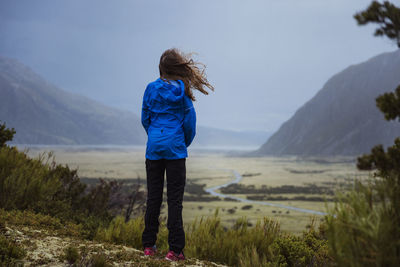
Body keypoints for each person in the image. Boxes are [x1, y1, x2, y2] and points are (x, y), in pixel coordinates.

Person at [141, 48, 214, 261]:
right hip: (175, 151)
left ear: (161, 69)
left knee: (153, 198)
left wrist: (155, 136)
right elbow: (190, 124)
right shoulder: (183, 93)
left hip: (154, 149)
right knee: (175, 201)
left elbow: (145, 118)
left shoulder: (150, 89)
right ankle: (175, 251)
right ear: (177, 69)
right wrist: (182, 143)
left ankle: (148, 246)